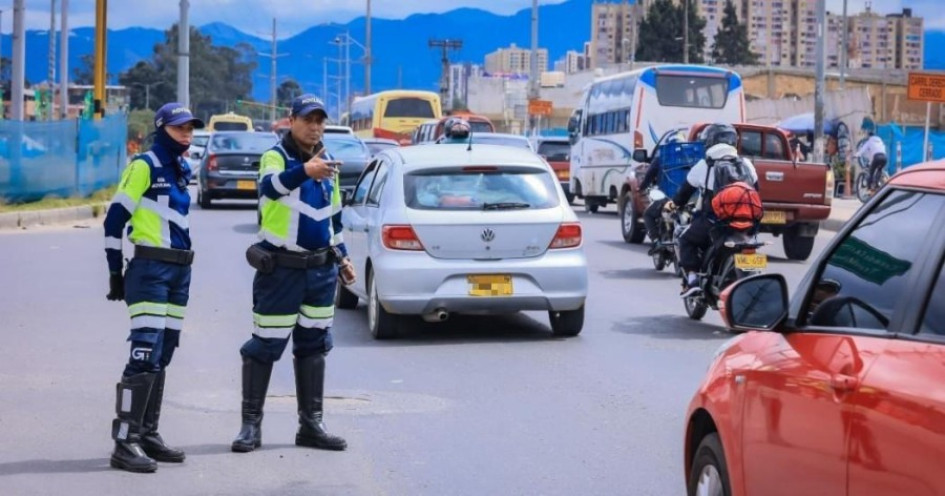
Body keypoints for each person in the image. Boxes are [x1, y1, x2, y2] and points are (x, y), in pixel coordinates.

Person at [232, 94, 355, 454]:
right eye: (308, 120)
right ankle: (250, 427)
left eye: (320, 121)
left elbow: (333, 218)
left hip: (320, 272)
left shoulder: (327, 162)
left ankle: (311, 425)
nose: (315, 127)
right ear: (291, 120)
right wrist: (306, 170)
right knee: (265, 346)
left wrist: (343, 256)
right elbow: (270, 187)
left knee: (314, 345)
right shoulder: (275, 156)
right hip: (281, 271)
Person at [103, 103, 203, 473]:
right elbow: (113, 223)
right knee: (144, 352)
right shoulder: (142, 165)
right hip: (150, 270)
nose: (187, 134)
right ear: (162, 129)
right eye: (179, 129)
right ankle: (124, 442)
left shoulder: (182, 168)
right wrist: (116, 273)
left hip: (180, 272)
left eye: (191, 128)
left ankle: (147, 433)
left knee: (164, 351)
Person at [664, 123, 759, 297]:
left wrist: (673, 204)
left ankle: (692, 279)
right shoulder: (746, 164)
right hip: (747, 223)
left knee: (686, 240)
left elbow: (684, 193)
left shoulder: (705, 165)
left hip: (714, 222)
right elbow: (756, 191)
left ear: (710, 142)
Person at [640, 130, 688, 253]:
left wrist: (641, 187)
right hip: (688, 200)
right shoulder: (691, 158)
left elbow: (649, 175)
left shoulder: (662, 157)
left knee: (648, 214)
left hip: (667, 200)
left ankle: (656, 241)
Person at [854, 117, 888, 192]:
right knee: (879, 169)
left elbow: (862, 150)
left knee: (871, 173)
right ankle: (877, 184)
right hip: (884, 158)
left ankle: (869, 189)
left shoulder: (869, 141)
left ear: (869, 135)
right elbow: (882, 149)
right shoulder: (879, 140)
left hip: (877, 158)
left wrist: (856, 155)